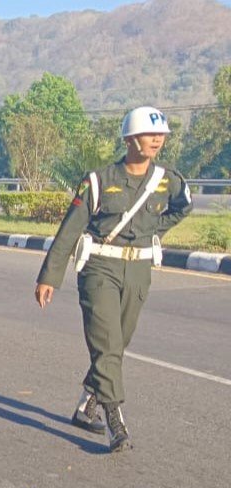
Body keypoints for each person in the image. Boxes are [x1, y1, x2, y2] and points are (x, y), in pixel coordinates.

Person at [34, 106, 192, 453]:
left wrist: (154, 230)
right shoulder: (99, 180)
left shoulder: (167, 180)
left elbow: (183, 206)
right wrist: (49, 276)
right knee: (106, 344)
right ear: (130, 139)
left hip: (138, 271)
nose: (157, 140)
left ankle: (86, 403)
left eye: (161, 134)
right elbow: (70, 229)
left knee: (117, 343)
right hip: (99, 269)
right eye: (150, 134)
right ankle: (115, 420)